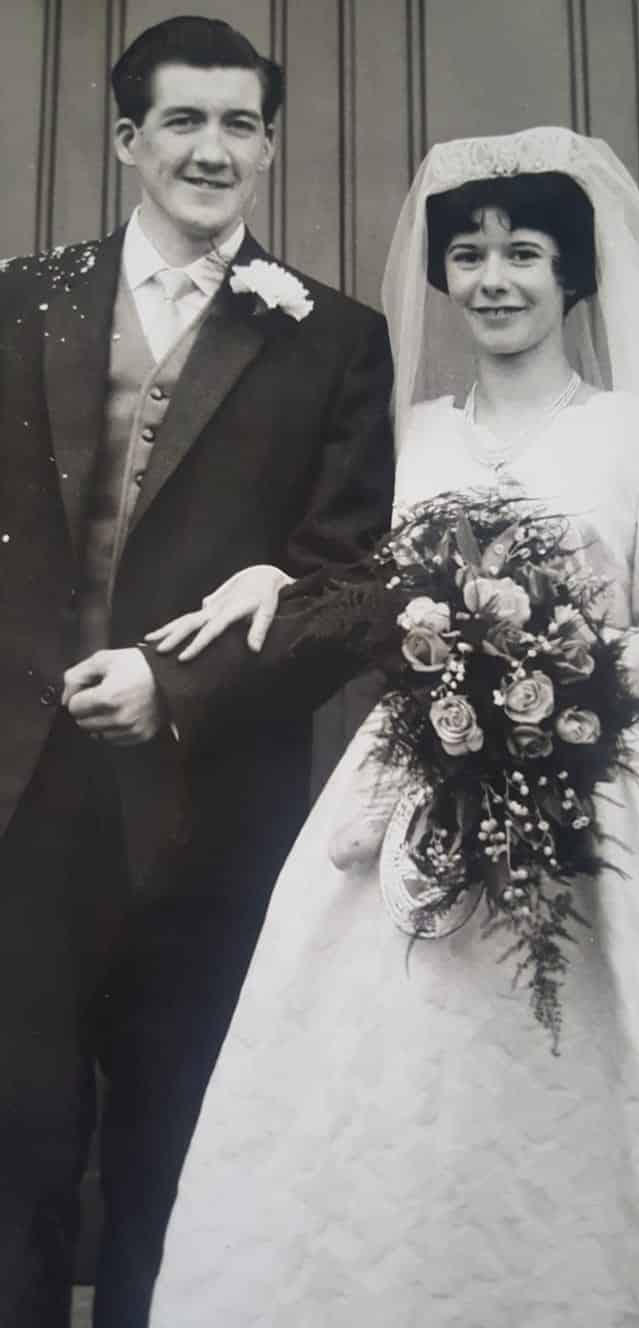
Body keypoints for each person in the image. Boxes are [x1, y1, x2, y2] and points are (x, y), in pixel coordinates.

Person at [149, 127, 639, 1326]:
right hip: (413, 783)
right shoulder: (410, 431)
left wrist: (556, 660)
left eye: (524, 252)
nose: (494, 278)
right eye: (469, 254)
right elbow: (347, 578)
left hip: (598, 796)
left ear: (574, 276)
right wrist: (279, 584)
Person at [0, 15, 393, 1328]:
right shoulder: (15, 300)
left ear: (271, 144)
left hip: (210, 812)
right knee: (16, 1148)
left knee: (178, 1157)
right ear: (127, 140)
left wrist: (179, 688)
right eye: (183, 120)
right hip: (20, 803)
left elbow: (349, 592)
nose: (211, 149)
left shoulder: (332, 337)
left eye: (238, 123)